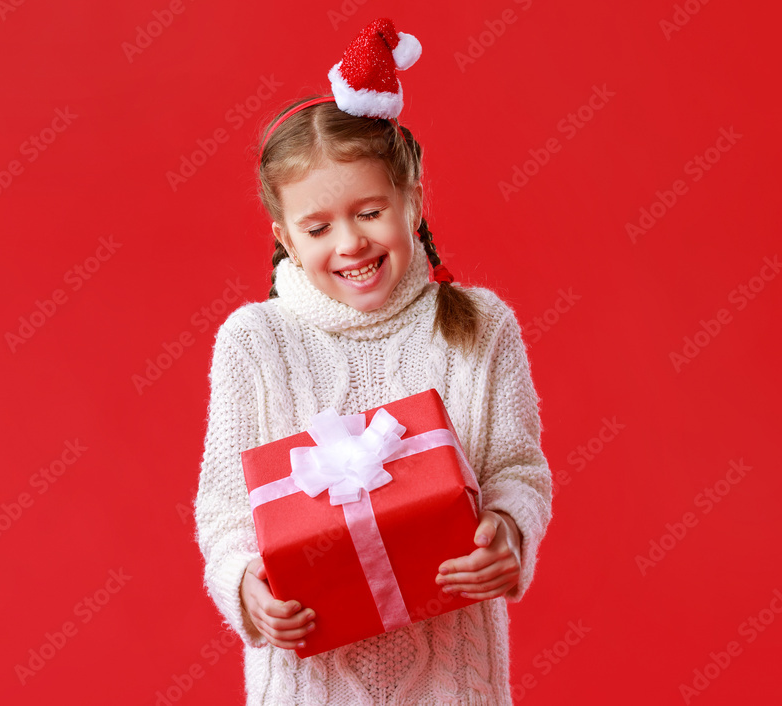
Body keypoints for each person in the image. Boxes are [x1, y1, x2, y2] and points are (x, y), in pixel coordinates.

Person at [193, 17, 552, 705]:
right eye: (318, 227)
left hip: (453, 686)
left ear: (412, 202)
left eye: (369, 212)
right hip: (307, 689)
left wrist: (506, 531)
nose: (350, 243)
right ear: (286, 239)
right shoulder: (253, 343)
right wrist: (245, 585)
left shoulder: (479, 327)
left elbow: (517, 471)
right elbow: (225, 511)